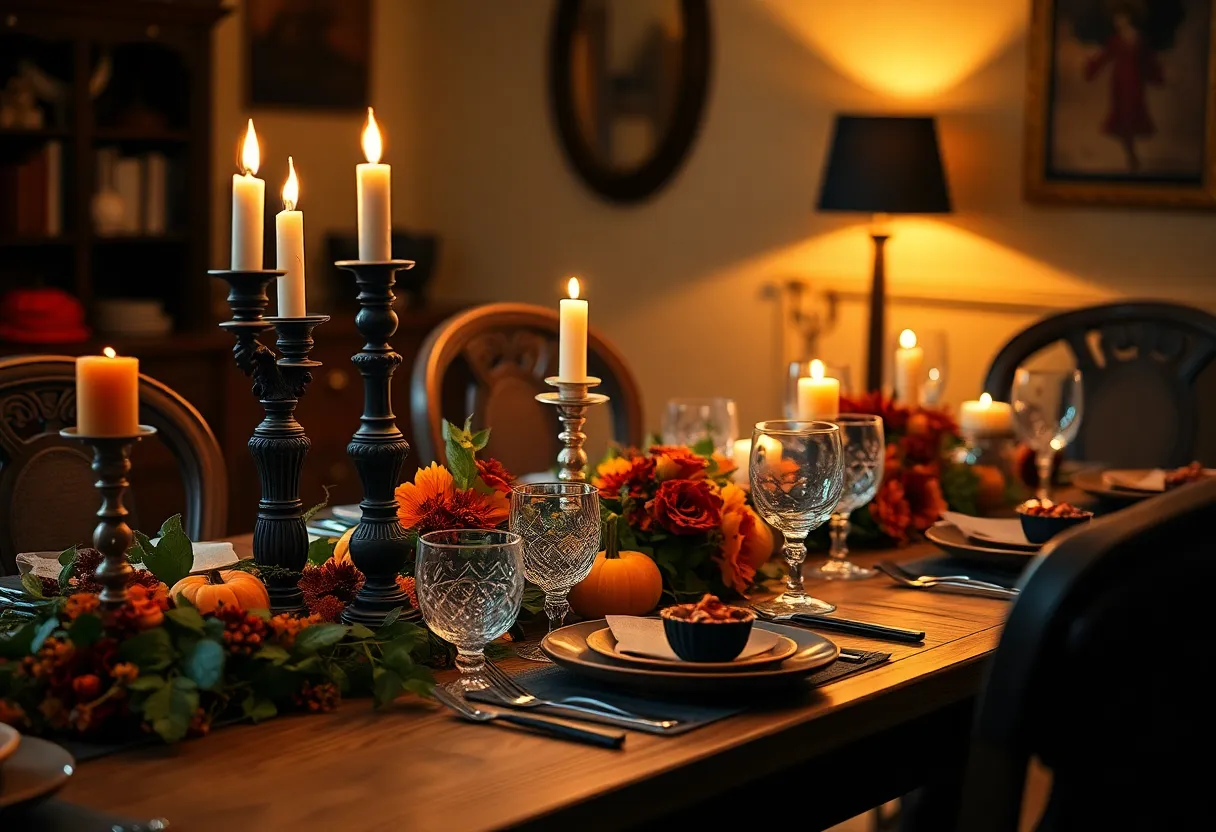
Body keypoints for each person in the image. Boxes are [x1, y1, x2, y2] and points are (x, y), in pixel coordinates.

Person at [1084, 7, 1164, 173]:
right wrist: (1091, 68)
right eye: (1116, 19)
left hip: (1135, 81)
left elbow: (1148, 59)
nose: (1117, 22)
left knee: (1133, 111)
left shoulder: (1140, 39)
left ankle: (1131, 150)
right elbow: (1104, 57)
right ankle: (1131, 154)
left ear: (1128, 19)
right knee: (1122, 113)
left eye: (1120, 18)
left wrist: (1156, 75)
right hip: (1119, 81)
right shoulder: (1114, 40)